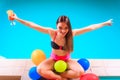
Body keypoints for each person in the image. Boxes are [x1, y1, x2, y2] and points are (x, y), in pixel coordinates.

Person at [10, 14, 112, 80]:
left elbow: (90, 27)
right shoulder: (51, 32)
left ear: (69, 27)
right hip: (53, 59)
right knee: (39, 69)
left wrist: (105, 23)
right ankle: (59, 77)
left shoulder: (72, 34)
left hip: (66, 60)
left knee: (80, 72)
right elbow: (32, 25)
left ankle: (58, 74)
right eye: (60, 28)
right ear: (56, 26)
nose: (63, 31)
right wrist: (17, 18)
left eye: (66, 28)